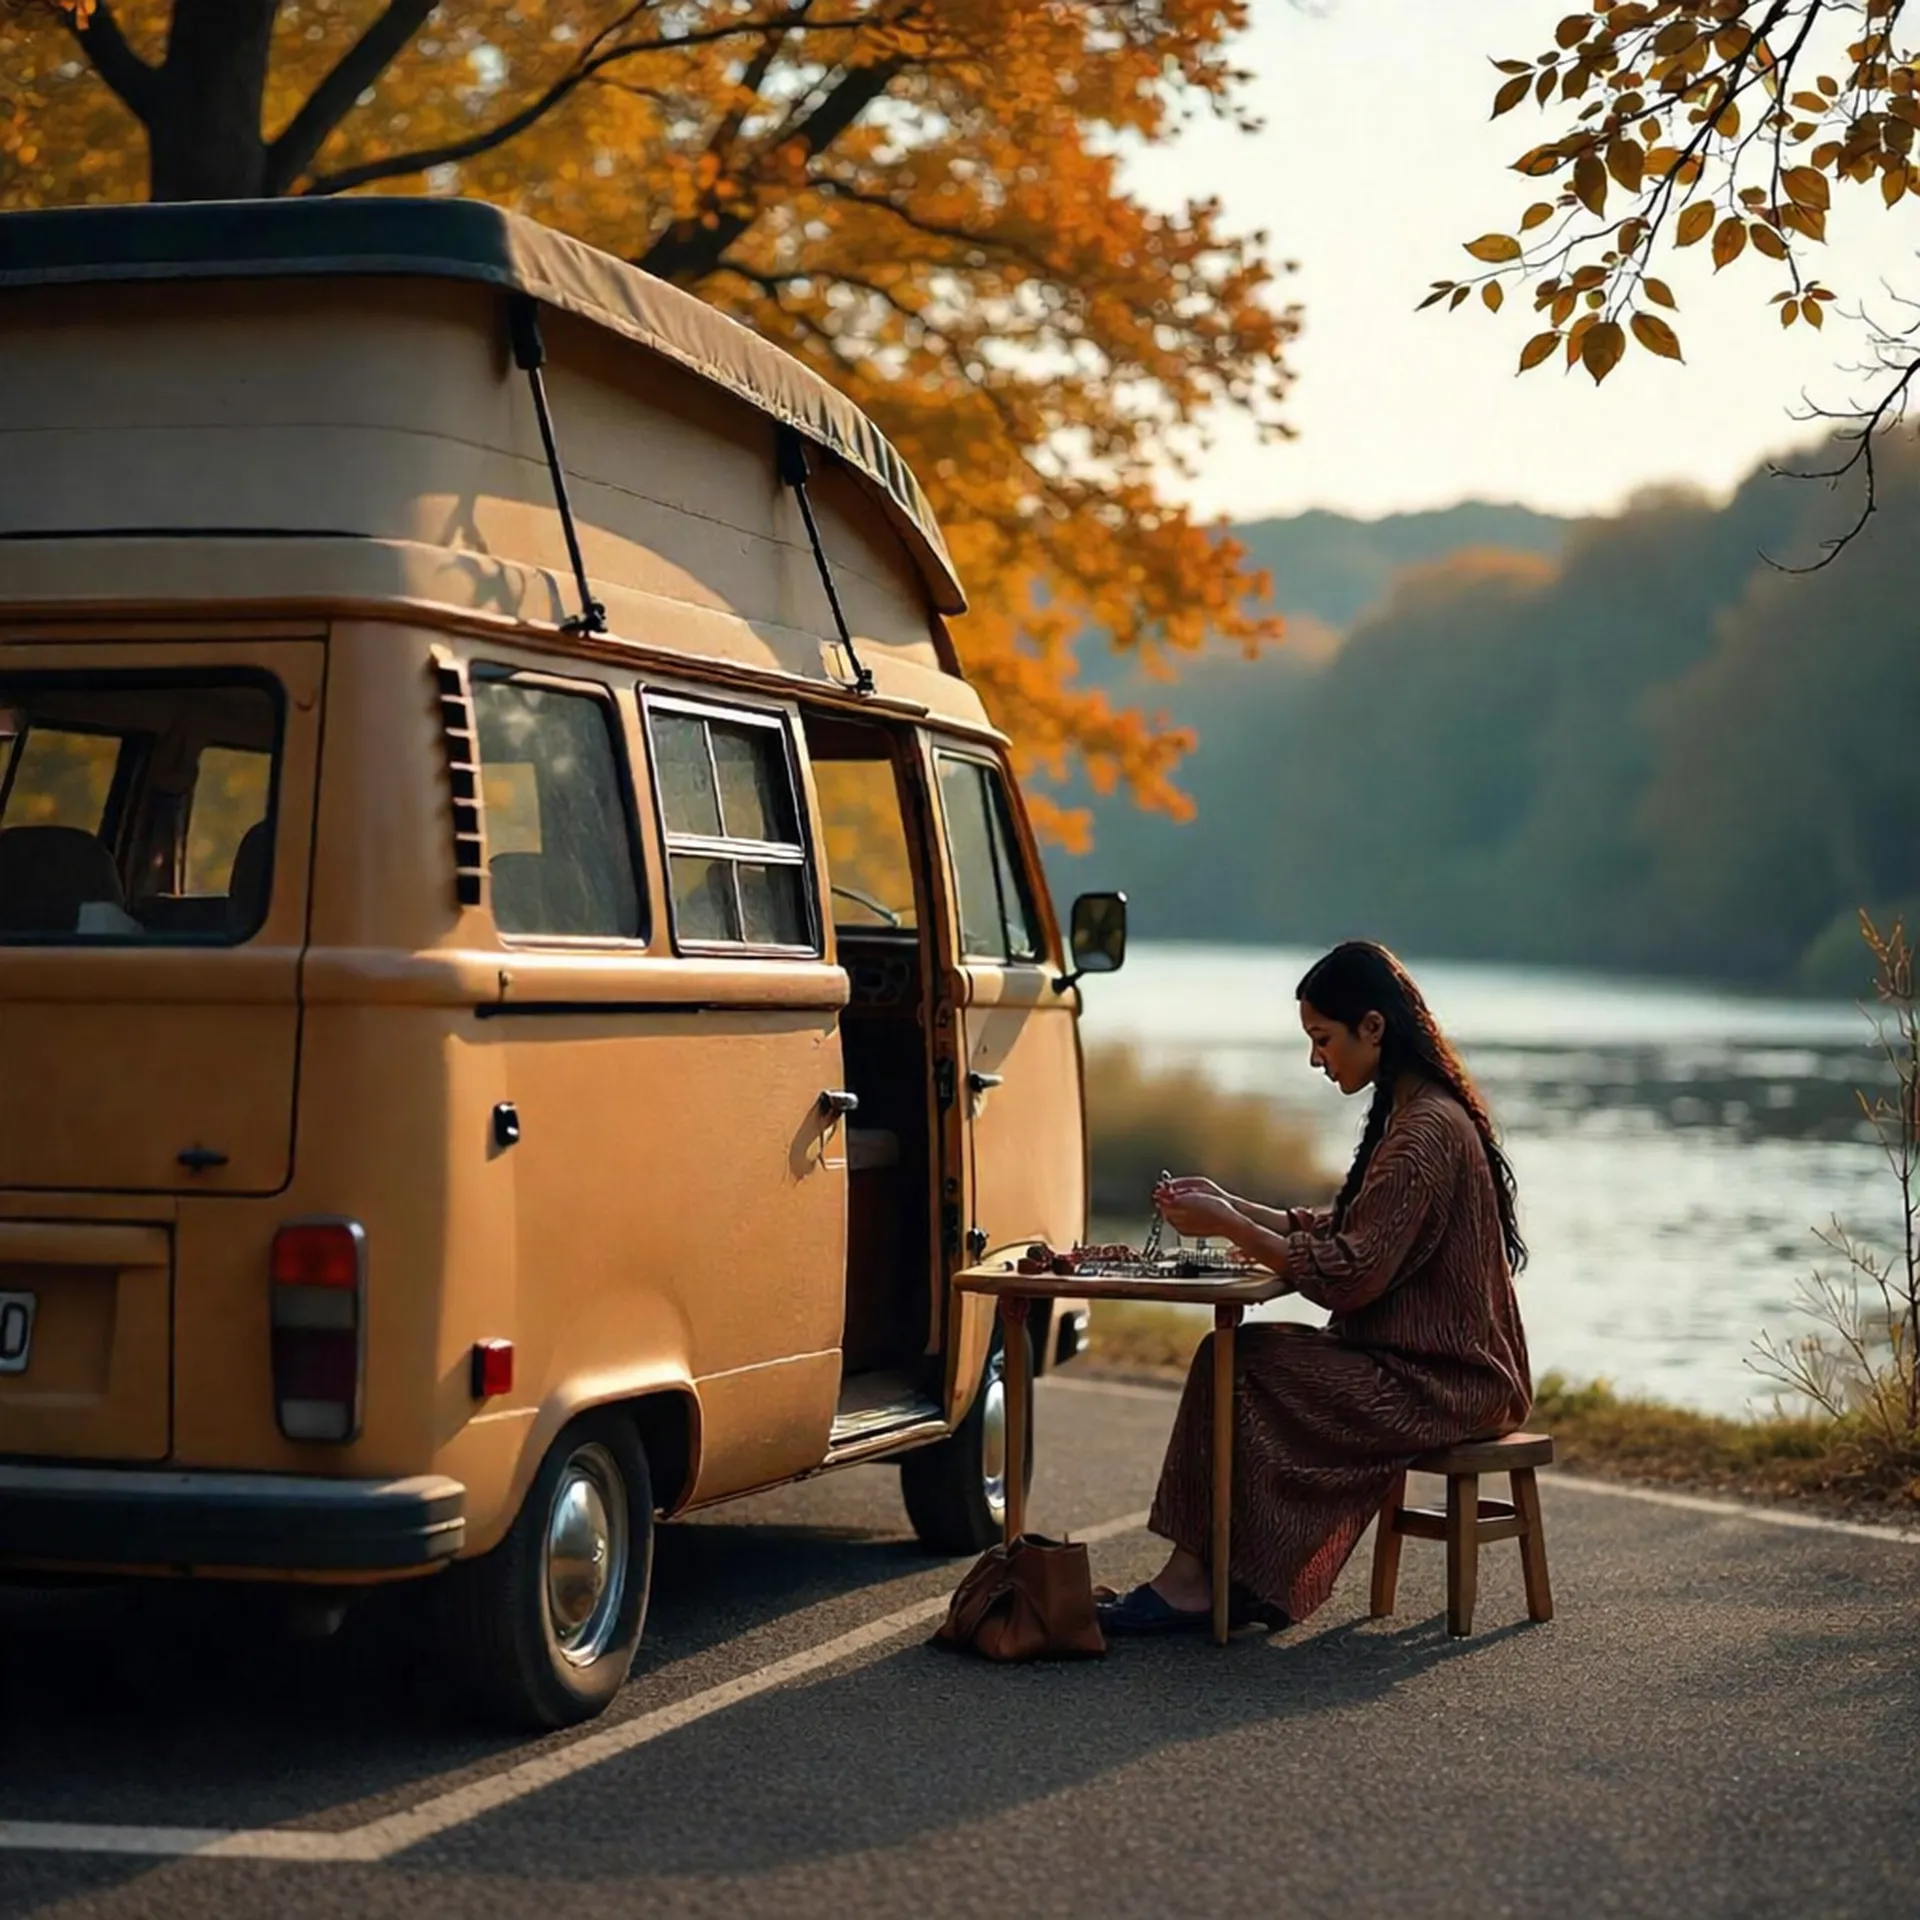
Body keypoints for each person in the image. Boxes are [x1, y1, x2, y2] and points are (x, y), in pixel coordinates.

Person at [1098, 940, 1533, 1636]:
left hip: (1446, 1382)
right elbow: (1345, 1229)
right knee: (1242, 1363)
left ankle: (1196, 1581)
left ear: (1374, 1028)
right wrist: (1231, 1204)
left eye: (1322, 1039)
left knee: (1237, 1364)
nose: (1315, 1059)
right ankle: (1223, 1578)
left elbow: (1348, 1279)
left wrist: (1228, 1224)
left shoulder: (1425, 1133)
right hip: (1431, 1370)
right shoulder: (1418, 1114)